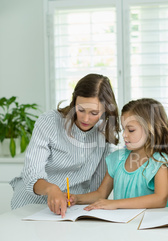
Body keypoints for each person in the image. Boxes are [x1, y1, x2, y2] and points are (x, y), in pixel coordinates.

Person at [10, 73, 120, 217]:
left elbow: (98, 191)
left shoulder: (105, 134)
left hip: (71, 209)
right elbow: (32, 173)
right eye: (80, 110)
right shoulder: (49, 121)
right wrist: (51, 189)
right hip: (30, 204)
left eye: (94, 113)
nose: (86, 118)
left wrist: (76, 199)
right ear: (74, 102)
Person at [69, 98, 168, 210]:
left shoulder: (159, 161)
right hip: (123, 226)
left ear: (150, 130)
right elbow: (101, 194)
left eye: (131, 130)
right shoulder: (117, 158)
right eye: (123, 129)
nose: (124, 135)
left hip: (149, 225)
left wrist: (115, 203)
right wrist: (76, 198)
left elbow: (160, 199)